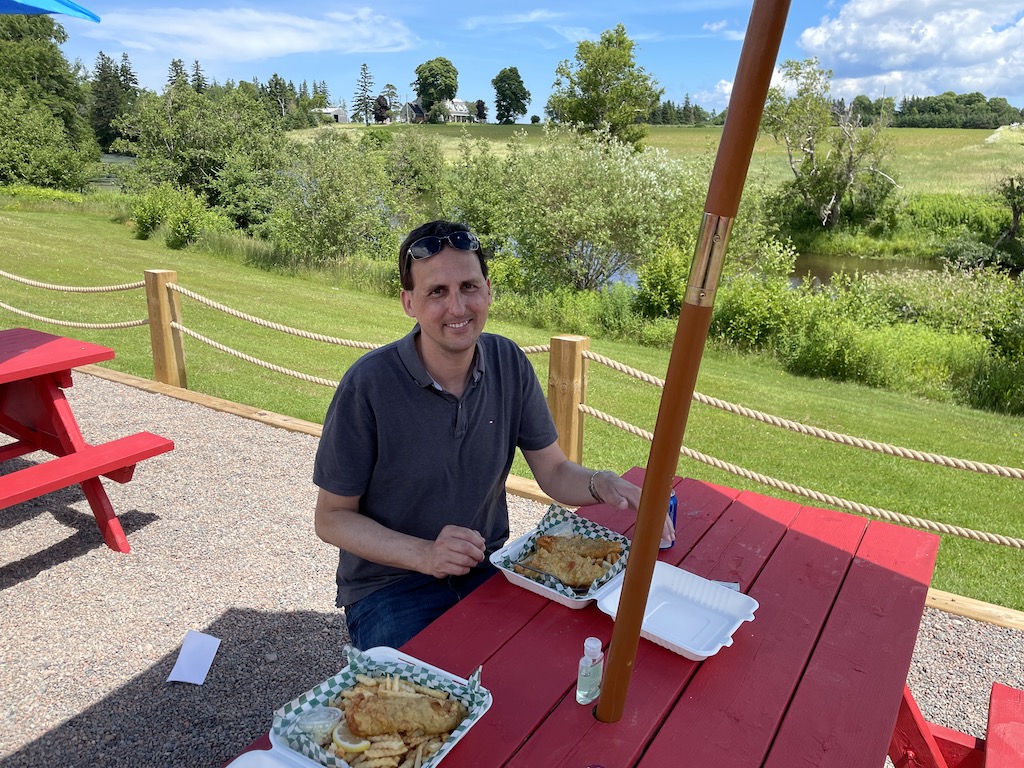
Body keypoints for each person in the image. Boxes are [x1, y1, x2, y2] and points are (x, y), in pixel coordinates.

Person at [313, 219, 673, 650]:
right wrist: (425, 555)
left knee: (555, 664)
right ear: (408, 302)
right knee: (424, 706)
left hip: (488, 568)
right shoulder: (368, 385)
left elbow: (554, 470)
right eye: (437, 292)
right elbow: (331, 517)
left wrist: (604, 483)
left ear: (487, 289)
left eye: (468, 286)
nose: (458, 307)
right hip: (390, 588)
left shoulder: (508, 361)